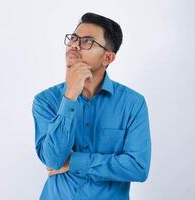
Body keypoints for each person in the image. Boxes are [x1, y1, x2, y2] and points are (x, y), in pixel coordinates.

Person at [32, 12, 151, 200]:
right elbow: (53, 160)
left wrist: (74, 162)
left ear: (108, 58)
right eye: (73, 38)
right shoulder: (45, 101)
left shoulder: (132, 104)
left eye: (87, 41)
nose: (74, 45)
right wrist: (69, 96)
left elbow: (138, 167)